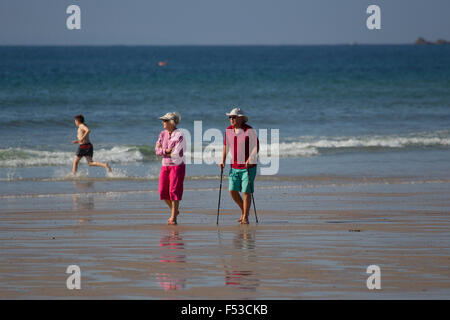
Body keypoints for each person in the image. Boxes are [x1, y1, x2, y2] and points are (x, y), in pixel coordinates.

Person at [219, 107, 259, 225]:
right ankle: (244, 210)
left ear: (240, 119)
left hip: (248, 167)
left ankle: (245, 217)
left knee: (246, 192)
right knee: (232, 190)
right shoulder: (228, 130)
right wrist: (223, 160)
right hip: (234, 166)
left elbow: (256, 147)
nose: (231, 119)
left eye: (233, 117)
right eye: (230, 117)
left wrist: (250, 158)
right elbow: (226, 146)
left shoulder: (249, 130)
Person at [155, 112, 186, 225]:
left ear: (172, 122)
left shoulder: (180, 135)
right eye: (163, 120)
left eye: (165, 120)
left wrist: (165, 151)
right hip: (165, 165)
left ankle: (173, 217)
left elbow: (176, 152)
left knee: (174, 191)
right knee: (162, 191)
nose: (163, 122)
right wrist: (165, 151)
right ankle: (175, 211)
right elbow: (157, 150)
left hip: (177, 166)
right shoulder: (162, 134)